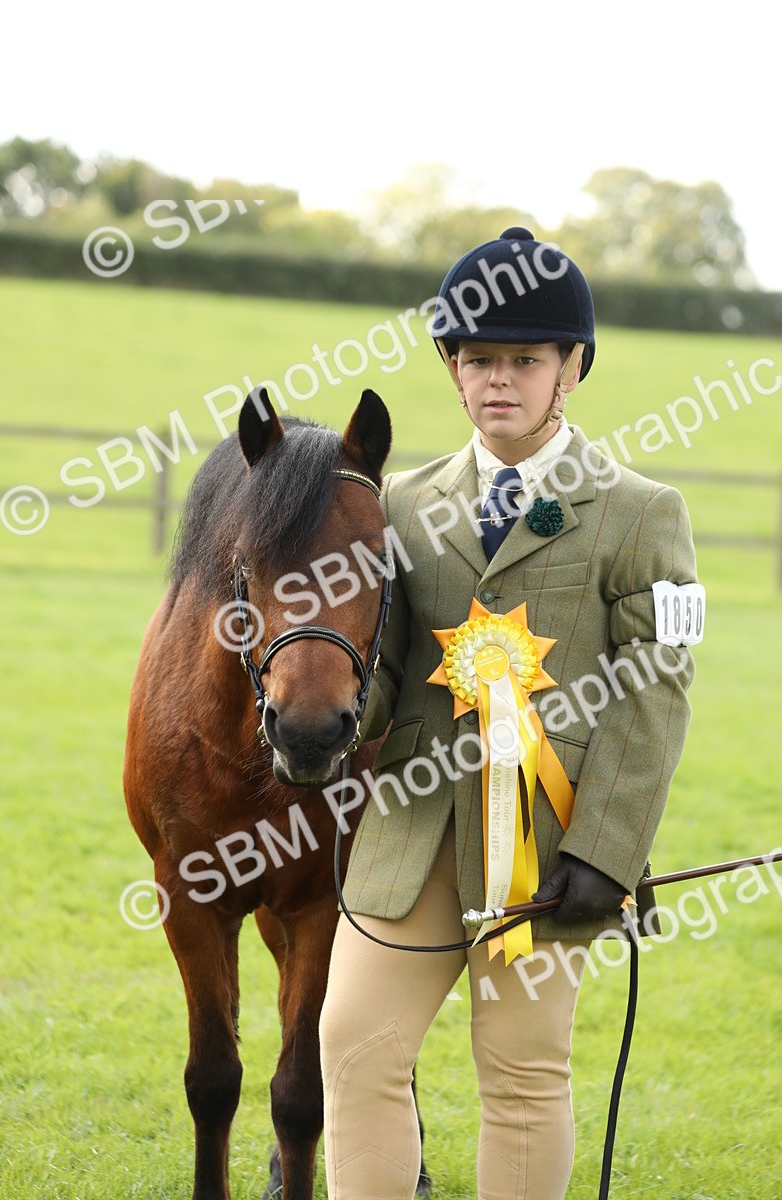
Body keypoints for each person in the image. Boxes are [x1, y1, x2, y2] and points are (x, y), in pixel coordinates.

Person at [319, 227, 699, 1200]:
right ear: (449, 367)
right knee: (354, 1051)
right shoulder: (397, 505)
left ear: (571, 367)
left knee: (523, 1075)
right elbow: (378, 667)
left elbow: (655, 691)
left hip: (547, 844)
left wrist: (603, 853)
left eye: (524, 359)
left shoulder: (638, 511)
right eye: (476, 359)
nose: (499, 380)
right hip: (409, 834)